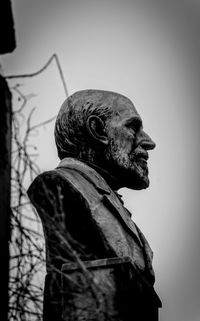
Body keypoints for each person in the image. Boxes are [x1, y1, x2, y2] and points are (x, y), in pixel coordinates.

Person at [27, 89, 162, 321]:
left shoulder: (112, 203)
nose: (149, 142)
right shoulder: (60, 186)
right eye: (133, 127)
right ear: (97, 130)